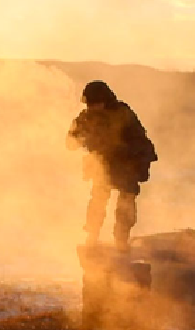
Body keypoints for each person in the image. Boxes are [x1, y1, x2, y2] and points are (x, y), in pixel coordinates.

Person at [66, 80, 157, 252]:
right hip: (102, 164)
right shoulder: (86, 117)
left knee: (126, 202)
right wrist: (81, 138)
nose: (92, 107)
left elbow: (140, 140)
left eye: (95, 103)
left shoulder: (122, 113)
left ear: (104, 100)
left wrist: (131, 157)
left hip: (126, 164)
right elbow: (70, 142)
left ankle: (121, 240)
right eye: (90, 104)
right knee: (98, 200)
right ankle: (92, 237)